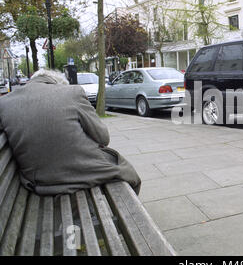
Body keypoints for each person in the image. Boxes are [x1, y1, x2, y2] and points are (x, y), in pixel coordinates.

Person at [0, 69, 141, 196]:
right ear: (58, 84)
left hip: (38, 183)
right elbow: (103, 138)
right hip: (81, 173)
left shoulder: (5, 102)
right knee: (131, 176)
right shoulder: (72, 92)